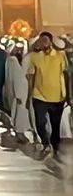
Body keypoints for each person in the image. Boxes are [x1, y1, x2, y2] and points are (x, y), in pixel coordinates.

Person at [28, 31, 69, 159]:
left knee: (55, 125)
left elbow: (66, 75)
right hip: (39, 95)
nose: (43, 42)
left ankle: (55, 146)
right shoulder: (35, 57)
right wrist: (29, 95)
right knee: (40, 123)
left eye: (45, 40)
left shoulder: (60, 56)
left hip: (57, 97)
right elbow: (31, 76)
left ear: (51, 41)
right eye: (41, 40)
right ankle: (45, 143)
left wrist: (68, 95)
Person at [4, 40, 31, 143]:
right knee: (19, 113)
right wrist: (17, 94)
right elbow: (12, 78)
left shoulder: (22, 61)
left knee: (22, 113)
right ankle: (19, 134)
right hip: (18, 93)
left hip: (24, 92)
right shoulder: (12, 61)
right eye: (17, 49)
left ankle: (20, 133)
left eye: (20, 49)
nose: (19, 51)